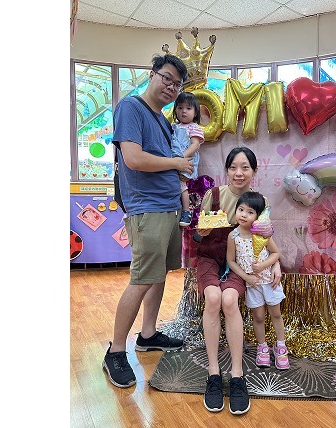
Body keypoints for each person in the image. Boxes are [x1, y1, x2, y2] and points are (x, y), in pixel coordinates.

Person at [102, 53, 194, 389]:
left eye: (177, 84)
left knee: (159, 274)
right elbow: (134, 159)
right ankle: (115, 351)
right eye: (166, 78)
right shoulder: (131, 107)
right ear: (152, 74)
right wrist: (176, 164)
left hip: (167, 207)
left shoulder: (162, 119)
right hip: (147, 208)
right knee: (141, 279)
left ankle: (148, 334)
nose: (171, 87)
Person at [194, 147, 282, 415]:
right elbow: (197, 236)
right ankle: (213, 373)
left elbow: (265, 239)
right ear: (227, 170)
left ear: (254, 171)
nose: (239, 173)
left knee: (229, 300)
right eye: (233, 167)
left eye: (245, 167)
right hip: (210, 258)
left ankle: (237, 374)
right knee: (213, 298)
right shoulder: (214, 195)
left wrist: (276, 263)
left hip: (241, 263)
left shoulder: (259, 201)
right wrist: (201, 232)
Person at [226, 191, 290, 371]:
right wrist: (246, 277)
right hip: (252, 285)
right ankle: (262, 347)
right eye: (241, 209)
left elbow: (276, 253)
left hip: (270, 282)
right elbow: (231, 261)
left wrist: (263, 265)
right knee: (258, 316)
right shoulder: (233, 236)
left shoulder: (262, 234)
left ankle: (280, 346)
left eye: (250, 212)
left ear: (258, 216)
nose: (243, 215)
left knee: (276, 314)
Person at [171, 91, 204, 227]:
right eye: (180, 108)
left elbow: (195, 145)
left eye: (188, 108)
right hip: (173, 160)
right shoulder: (173, 126)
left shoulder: (193, 127)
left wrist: (181, 158)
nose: (183, 111)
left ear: (195, 113)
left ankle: (186, 211)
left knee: (182, 185)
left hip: (186, 161)